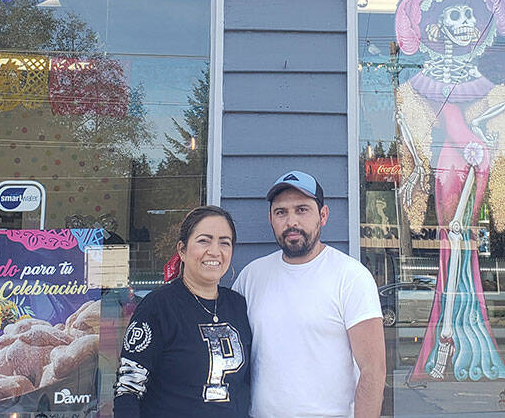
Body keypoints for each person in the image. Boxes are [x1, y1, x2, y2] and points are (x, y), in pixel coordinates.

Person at [233, 171, 385, 418]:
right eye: (281, 212)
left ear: (323, 216)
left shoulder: (351, 277)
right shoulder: (251, 277)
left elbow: (373, 370)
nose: (291, 221)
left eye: (302, 209)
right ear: (271, 219)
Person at [114, 205, 252, 418]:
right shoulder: (158, 307)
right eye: (204, 240)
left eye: (224, 242)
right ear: (182, 250)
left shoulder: (239, 306)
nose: (215, 251)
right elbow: (128, 390)